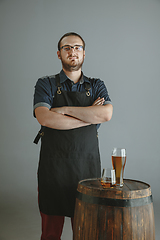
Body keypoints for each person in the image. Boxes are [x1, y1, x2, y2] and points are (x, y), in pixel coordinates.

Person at [33, 32, 113, 240]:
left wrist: (62, 110)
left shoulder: (96, 85)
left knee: (86, 232)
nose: (72, 51)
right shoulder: (45, 83)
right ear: (59, 54)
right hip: (53, 169)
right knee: (50, 235)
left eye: (77, 47)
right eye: (67, 47)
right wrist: (89, 117)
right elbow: (45, 118)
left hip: (86, 169)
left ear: (84, 53)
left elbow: (105, 114)